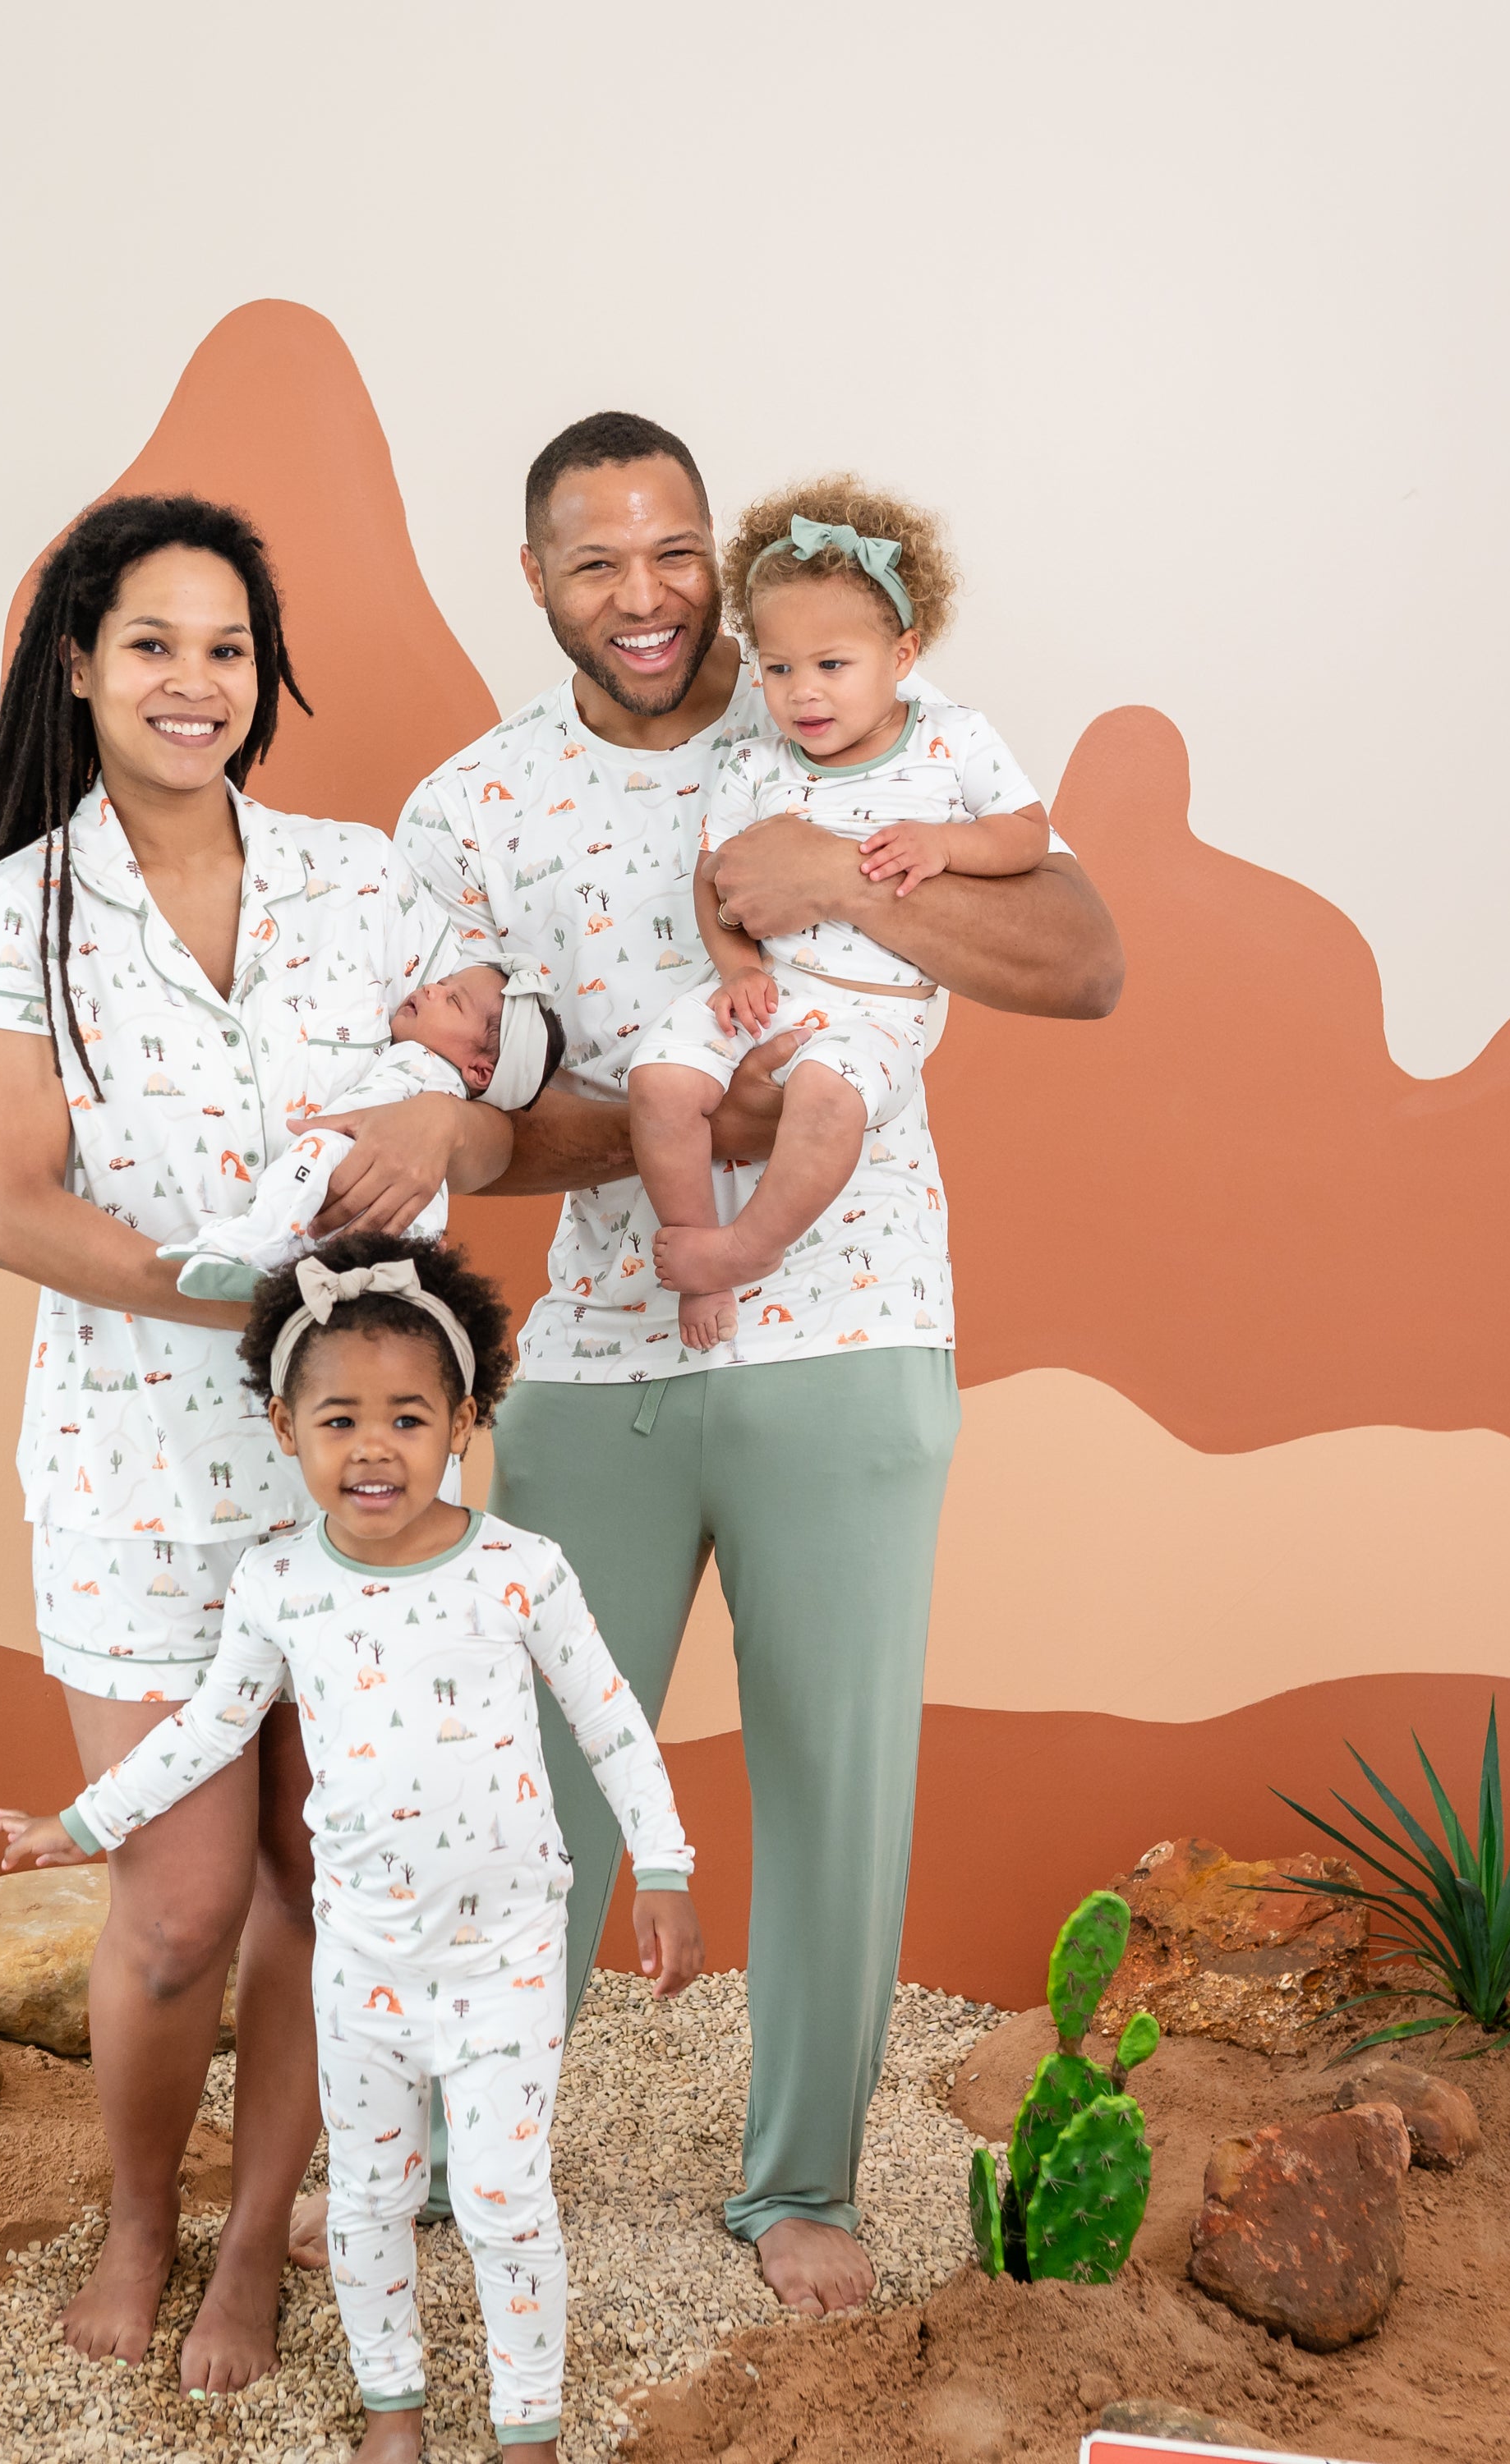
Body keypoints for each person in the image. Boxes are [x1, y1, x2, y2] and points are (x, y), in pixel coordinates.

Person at [394, 412, 1123, 2317]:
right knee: (529, 1778)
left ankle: (799, 2182)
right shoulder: (466, 810)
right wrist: (688, 1125)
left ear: (715, 553)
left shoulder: (837, 695)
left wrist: (836, 875)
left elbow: (1079, 951)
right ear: (534, 577)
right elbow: (476, 1126)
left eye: (668, 550)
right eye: (591, 558)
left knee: (832, 1772)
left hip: (856, 1339)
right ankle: (474, 2155)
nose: (641, 594)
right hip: (600, 1355)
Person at [0, 491, 512, 2387]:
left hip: (372, 1478)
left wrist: (453, 1130)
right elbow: (12, 1204)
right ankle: (137, 2210)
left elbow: (497, 1073)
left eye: (228, 647)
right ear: (79, 664)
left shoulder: (362, 879)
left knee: (325, 1884)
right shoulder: (30, 905)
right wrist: (254, 1300)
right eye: (156, 643)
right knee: (178, 1904)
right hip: (138, 1474)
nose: (196, 681)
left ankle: (260, 2239)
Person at [0, 1230, 703, 2464]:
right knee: (368, 2200)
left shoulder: (521, 1572)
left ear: (465, 1423)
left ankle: (527, 2427)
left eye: (411, 1418)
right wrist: (81, 1824)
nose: (375, 1448)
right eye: (340, 1420)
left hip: (507, 1958)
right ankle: (394, 2410)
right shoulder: (276, 1585)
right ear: (285, 1431)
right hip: (362, 1964)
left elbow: (612, 1723)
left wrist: (668, 1869)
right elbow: (208, 1732)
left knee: (499, 2198)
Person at [628, 477, 1051, 1351]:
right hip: (772, 991)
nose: (803, 695)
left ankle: (746, 1248)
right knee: (660, 1080)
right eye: (778, 669)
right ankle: (696, 1245)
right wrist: (739, 967)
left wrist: (945, 847)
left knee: (827, 1096)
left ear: (903, 656)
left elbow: (1028, 833)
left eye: (832, 666)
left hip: (875, 1015)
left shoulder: (951, 741)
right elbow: (715, 879)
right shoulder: (755, 766)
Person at [157, 963, 565, 1300]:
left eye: (452, 1000)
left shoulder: (425, 1067)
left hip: (354, 1159)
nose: (430, 990)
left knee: (312, 1148)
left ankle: (251, 1245)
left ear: (480, 1070)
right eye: (442, 982)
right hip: (403, 1203)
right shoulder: (434, 1080)